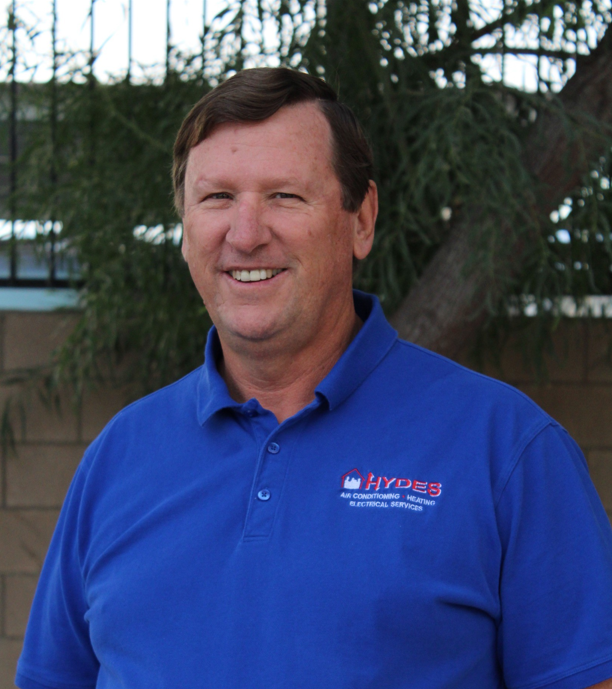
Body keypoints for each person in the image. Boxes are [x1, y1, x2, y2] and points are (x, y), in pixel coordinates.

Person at [16, 68, 612, 689]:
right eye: (216, 198)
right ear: (185, 230)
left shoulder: (507, 450)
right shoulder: (118, 456)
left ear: (362, 220)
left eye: (285, 196)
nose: (246, 234)